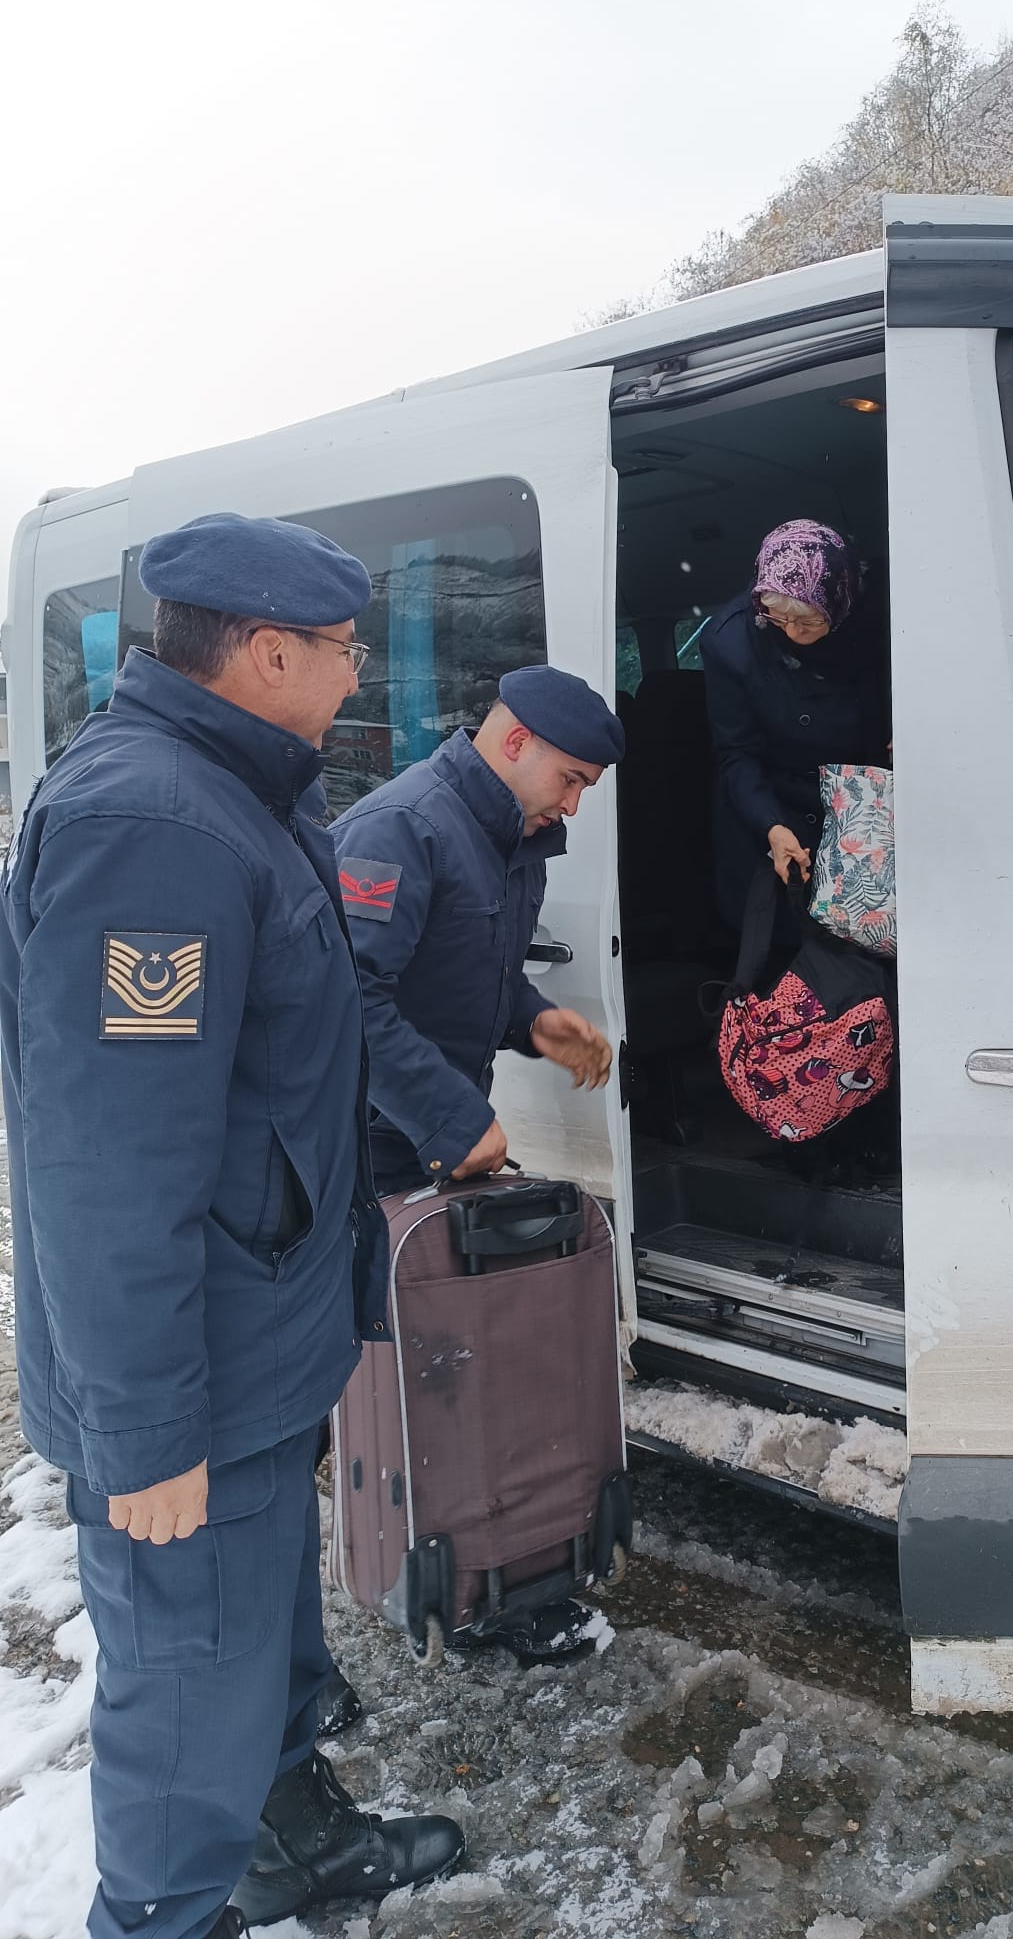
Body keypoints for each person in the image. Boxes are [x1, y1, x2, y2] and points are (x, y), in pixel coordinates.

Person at [0, 513, 465, 1939]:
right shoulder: (155, 828)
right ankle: (166, 1915)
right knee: (188, 1679)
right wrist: (145, 1432)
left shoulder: (238, 796)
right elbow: (110, 1163)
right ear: (264, 654)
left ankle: (291, 1839)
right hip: (185, 1389)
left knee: (259, 1645)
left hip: (253, 1348)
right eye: (338, 651)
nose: (353, 677)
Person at [329, 667, 623, 1659]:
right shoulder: (398, 829)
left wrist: (536, 1022)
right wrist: (456, 1120)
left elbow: (467, 979)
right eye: (572, 778)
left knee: (468, 1364)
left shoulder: (511, 836)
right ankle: (427, 1577)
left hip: (433, 1138)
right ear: (513, 743)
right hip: (367, 1147)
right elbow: (348, 1008)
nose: (575, 801)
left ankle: (490, 1567)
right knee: (415, 1378)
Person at [699, 519, 889, 932]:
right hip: (773, 805)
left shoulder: (885, 614)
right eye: (776, 616)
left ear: (840, 600)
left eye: (807, 621)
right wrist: (771, 824)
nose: (791, 632)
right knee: (782, 940)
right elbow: (737, 751)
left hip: (866, 803)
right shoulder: (731, 641)